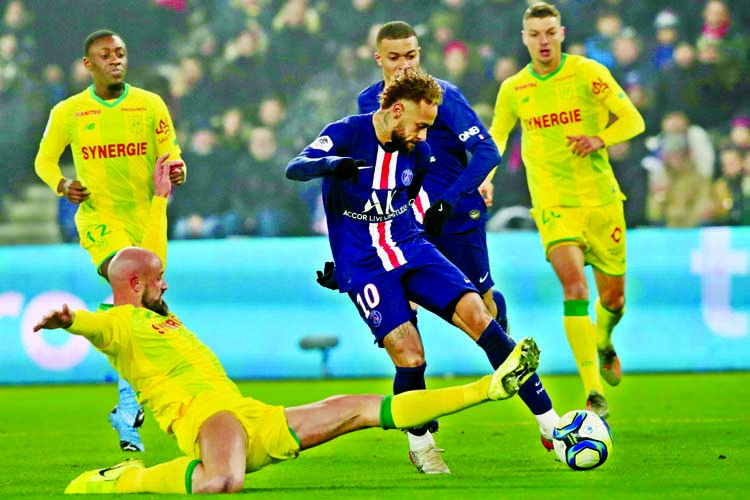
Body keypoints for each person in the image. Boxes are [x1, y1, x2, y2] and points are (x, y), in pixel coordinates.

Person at [33, 245, 541, 494]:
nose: (165, 287)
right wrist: (68, 320)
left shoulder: (158, 318)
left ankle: (490, 387)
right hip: (209, 419)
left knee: (362, 410)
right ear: (138, 281)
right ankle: (123, 481)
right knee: (221, 483)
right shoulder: (119, 322)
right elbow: (94, 326)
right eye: (159, 280)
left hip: (250, 417)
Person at [287, 68, 558, 475]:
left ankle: (552, 424)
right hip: (365, 266)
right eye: (420, 125)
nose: (424, 135)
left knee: (481, 317)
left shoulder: (421, 154)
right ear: (397, 111)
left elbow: (405, 200)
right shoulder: (345, 132)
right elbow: (296, 166)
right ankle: (421, 443)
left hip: (410, 246)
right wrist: (334, 165)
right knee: (410, 354)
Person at [354, 21, 558, 474]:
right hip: (403, 230)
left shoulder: (442, 96)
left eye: (411, 56)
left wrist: (450, 197)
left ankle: (548, 425)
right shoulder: (367, 106)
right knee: (407, 340)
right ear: (379, 60)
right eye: (394, 58)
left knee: (486, 317)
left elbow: (486, 152)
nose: (403, 65)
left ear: (419, 54)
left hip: (457, 222)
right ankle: (419, 432)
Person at [489, 2, 646, 418]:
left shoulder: (589, 73)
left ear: (561, 33)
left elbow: (633, 121)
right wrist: (483, 177)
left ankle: (604, 337)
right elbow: (497, 138)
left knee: (614, 298)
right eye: (535, 34)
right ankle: (594, 392)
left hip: (601, 202)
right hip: (554, 205)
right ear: (525, 38)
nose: (543, 41)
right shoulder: (514, 89)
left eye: (550, 32)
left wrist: (600, 137)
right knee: (575, 288)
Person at [34, 29, 186, 452]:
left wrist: (178, 172)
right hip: (101, 223)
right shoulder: (70, 111)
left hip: (147, 218)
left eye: (120, 53)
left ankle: (128, 402)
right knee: (132, 284)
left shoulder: (150, 104)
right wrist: (62, 184)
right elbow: (44, 160)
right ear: (89, 64)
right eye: (106, 55)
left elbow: (171, 154)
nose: (115, 60)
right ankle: (127, 401)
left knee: (144, 307)